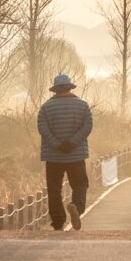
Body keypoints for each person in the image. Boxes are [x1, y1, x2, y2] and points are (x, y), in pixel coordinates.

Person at [37, 74, 92, 231]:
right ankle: (76, 207)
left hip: (53, 156)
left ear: (55, 90)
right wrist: (72, 143)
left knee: (54, 189)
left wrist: (57, 145)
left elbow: (43, 129)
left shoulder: (45, 108)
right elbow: (87, 127)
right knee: (80, 184)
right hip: (76, 154)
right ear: (69, 87)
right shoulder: (83, 106)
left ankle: (58, 222)